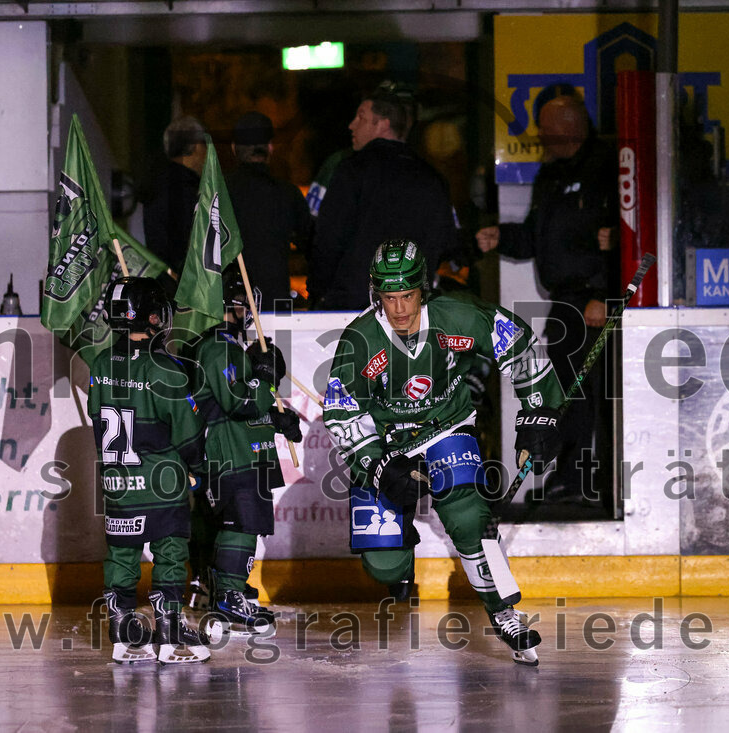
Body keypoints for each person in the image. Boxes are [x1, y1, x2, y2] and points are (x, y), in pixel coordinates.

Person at [322, 240, 565, 665]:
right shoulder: (359, 341)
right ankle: (401, 555)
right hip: (389, 444)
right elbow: (343, 414)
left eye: (408, 296)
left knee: (468, 515)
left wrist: (538, 413)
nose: (399, 309)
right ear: (376, 293)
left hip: (446, 425)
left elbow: (521, 346)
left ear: (424, 289)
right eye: (389, 297)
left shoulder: (459, 315)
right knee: (383, 564)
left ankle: (504, 612)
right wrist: (377, 465)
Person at [476, 95, 619, 509]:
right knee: (565, 394)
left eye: (547, 127)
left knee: (589, 395)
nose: (540, 135)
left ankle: (587, 480)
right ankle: (571, 476)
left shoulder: (605, 167)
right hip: (564, 304)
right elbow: (537, 238)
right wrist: (502, 236)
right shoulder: (551, 175)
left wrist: (601, 293)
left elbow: (621, 237)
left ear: (571, 125)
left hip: (593, 302)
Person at [88, 276, 211, 665]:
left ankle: (124, 636)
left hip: (118, 484)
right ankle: (171, 633)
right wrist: (197, 469)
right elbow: (188, 434)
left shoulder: (101, 363)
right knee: (170, 555)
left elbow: (97, 421)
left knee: (121, 557)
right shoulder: (167, 371)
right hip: (162, 484)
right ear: (155, 317)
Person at [192, 266, 303, 638]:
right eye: (238, 306)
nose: (242, 313)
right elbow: (236, 402)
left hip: (246, 451)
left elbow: (249, 410)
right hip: (229, 455)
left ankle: (232, 591)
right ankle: (227, 597)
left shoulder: (235, 349)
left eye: (245, 306)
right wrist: (264, 378)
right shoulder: (216, 347)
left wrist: (276, 419)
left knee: (247, 524)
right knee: (240, 524)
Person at [308, 84, 455, 310]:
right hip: (411, 308)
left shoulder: (352, 170)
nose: (352, 125)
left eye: (361, 118)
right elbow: (443, 241)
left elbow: (329, 239)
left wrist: (319, 292)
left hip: (353, 307)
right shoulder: (432, 178)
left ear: (383, 124)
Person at [227, 111, 313, 312]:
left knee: (230, 345)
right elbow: (312, 245)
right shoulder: (287, 194)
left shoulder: (218, 192)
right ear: (270, 148)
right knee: (279, 344)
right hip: (277, 300)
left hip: (229, 305)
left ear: (234, 149)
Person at [143, 116, 208, 276]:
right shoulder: (188, 188)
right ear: (197, 147)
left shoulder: (153, 182)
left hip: (158, 279)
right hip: (183, 285)